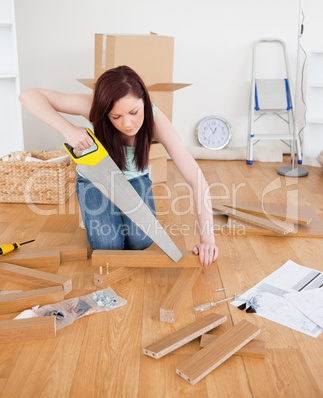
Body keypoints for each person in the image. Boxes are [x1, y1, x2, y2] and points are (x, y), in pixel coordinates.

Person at [19, 65, 218, 268]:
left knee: (141, 241)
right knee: (107, 245)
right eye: (116, 117)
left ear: (144, 102)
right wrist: (67, 129)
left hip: (135, 179)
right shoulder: (94, 107)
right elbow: (28, 95)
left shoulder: (156, 119)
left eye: (134, 112)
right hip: (94, 179)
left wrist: (207, 239)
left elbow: (196, 178)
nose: (127, 124)